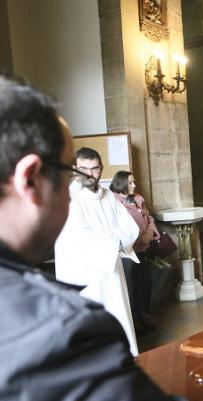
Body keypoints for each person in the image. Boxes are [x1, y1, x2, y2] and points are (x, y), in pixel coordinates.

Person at [0, 76, 179, 400]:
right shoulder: (63, 329)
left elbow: (128, 226)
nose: (75, 186)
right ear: (30, 180)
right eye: (69, 171)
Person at [54, 147, 140, 356]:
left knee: (118, 316)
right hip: (83, 273)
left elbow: (131, 228)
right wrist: (114, 237)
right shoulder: (67, 198)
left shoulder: (109, 197)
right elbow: (80, 236)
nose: (89, 174)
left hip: (112, 271)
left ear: (101, 169)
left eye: (94, 169)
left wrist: (112, 238)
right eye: (83, 169)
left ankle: (126, 359)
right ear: (75, 168)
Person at [110, 170, 160, 332]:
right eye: (130, 182)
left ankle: (145, 315)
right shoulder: (113, 202)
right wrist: (140, 238)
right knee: (130, 288)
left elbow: (149, 218)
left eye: (134, 181)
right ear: (121, 183)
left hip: (144, 249)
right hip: (128, 252)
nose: (134, 185)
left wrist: (150, 233)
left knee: (144, 285)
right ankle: (134, 323)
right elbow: (119, 229)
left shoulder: (138, 199)